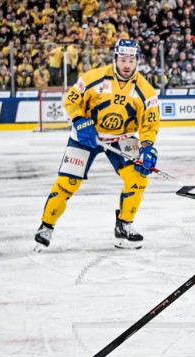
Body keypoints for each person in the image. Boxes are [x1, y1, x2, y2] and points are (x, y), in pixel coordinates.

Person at [33, 39, 160, 251]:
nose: (126, 65)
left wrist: (147, 147)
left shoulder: (145, 91)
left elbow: (150, 123)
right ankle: (46, 226)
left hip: (123, 137)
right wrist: (80, 120)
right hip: (86, 136)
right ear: (115, 59)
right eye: (122, 60)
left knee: (138, 177)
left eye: (131, 60)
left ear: (137, 61)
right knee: (68, 182)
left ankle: (124, 225)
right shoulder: (94, 77)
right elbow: (72, 99)